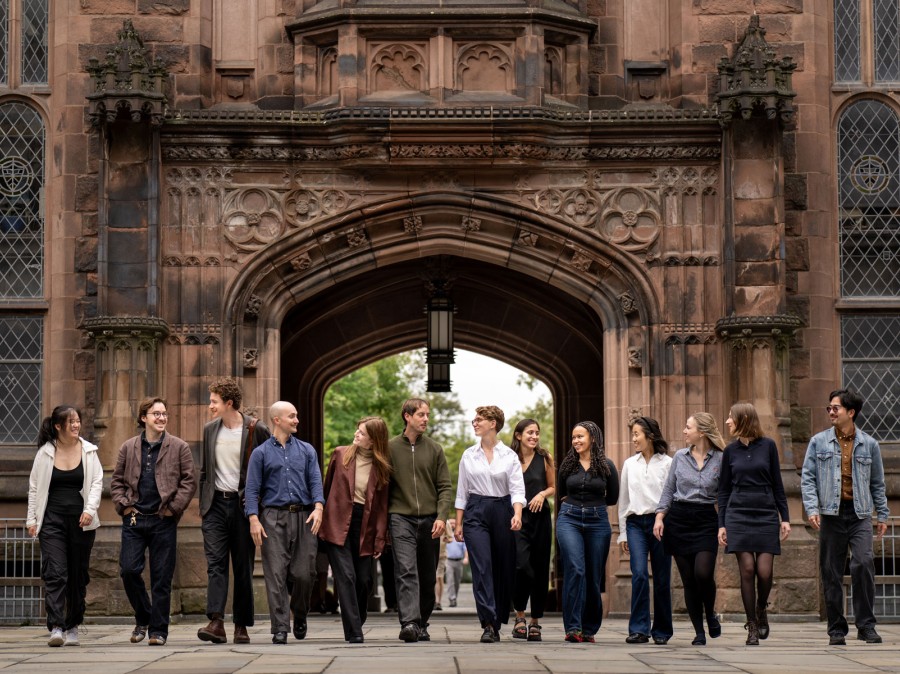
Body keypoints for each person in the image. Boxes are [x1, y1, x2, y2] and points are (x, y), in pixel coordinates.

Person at [801, 389, 890, 646]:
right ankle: (836, 629)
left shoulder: (869, 444)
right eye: (829, 408)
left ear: (850, 413)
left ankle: (866, 626)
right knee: (831, 572)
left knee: (863, 564)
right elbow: (807, 478)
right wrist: (812, 508)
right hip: (831, 514)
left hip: (860, 513)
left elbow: (877, 483)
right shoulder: (818, 442)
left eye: (836, 408)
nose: (831, 412)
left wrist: (882, 514)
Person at [111, 397, 196, 647]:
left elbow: (189, 481)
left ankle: (158, 630)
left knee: (161, 578)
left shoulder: (179, 447)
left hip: (163, 520)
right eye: (156, 414)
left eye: (164, 414)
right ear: (143, 418)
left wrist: (173, 509)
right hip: (134, 519)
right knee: (128, 570)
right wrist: (124, 506)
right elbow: (116, 482)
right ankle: (143, 616)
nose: (161, 418)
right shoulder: (128, 447)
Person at [197, 377, 270, 645]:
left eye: (214, 401)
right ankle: (216, 621)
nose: (210, 406)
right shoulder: (209, 429)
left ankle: (241, 625)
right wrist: (204, 503)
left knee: (243, 567)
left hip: (243, 507)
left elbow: (266, 470)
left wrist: (257, 510)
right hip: (215, 505)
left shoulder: (256, 429)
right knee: (215, 564)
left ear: (229, 403)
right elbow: (205, 470)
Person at [245, 400, 324, 645]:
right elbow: (251, 489)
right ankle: (280, 627)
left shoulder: (307, 450)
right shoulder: (260, 453)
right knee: (275, 574)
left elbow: (315, 482)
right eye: (292, 416)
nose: (297, 420)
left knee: (305, 574)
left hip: (305, 516)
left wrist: (319, 507)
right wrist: (253, 519)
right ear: (277, 420)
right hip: (272, 517)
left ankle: (299, 613)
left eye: (297, 415)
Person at [26, 406, 103, 647]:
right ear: (58, 426)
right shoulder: (45, 454)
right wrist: (31, 520)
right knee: (56, 573)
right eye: (71, 422)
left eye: (78, 421)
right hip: (52, 521)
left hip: (81, 522)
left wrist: (89, 510)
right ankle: (57, 626)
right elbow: (35, 488)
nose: (76, 425)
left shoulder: (89, 451)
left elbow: (97, 483)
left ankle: (73, 626)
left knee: (77, 576)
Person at [719, 403, 791, 645]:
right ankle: (751, 625)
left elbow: (778, 485)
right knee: (747, 569)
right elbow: (724, 490)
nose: (728, 421)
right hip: (738, 513)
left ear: (744, 419)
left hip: (765, 512)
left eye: (731, 417)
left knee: (764, 571)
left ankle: (761, 609)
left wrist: (786, 518)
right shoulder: (730, 451)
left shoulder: (768, 446)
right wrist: (722, 524)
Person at [454, 405, 525, 643]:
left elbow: (517, 489)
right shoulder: (468, 455)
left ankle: (497, 619)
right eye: (474, 420)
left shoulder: (510, 456)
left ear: (493, 423)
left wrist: (517, 514)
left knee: (503, 567)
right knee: (482, 567)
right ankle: (488, 623)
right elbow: (462, 492)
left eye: (479, 420)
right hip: (475, 511)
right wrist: (459, 524)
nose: (474, 423)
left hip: (503, 509)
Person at [653, 413, 724, 646]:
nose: (684, 431)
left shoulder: (721, 459)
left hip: (705, 519)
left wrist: (724, 523)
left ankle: (711, 614)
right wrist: (660, 517)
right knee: (689, 580)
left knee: (703, 573)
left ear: (701, 432)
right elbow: (668, 489)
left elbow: (725, 495)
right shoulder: (680, 458)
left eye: (688, 427)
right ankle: (699, 632)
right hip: (679, 520)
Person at [319, 416, 392, 644]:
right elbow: (327, 486)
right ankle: (354, 632)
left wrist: (380, 538)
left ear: (373, 440)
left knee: (363, 580)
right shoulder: (341, 454)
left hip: (365, 525)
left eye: (361, 432)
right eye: (357, 430)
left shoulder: (382, 467)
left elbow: (382, 506)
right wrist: (321, 516)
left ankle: (356, 619)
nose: (356, 434)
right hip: (337, 522)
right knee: (346, 577)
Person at [387, 398, 453, 643]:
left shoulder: (434, 449)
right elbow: (383, 487)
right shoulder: (390, 447)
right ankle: (409, 623)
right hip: (400, 517)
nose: (426, 419)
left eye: (427, 415)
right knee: (405, 570)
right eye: (421, 415)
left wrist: (441, 517)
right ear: (407, 416)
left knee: (427, 575)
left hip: (430, 521)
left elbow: (445, 487)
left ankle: (422, 621)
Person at [556, 420, 618, 643]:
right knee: (575, 568)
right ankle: (573, 627)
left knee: (593, 575)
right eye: (573, 437)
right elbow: (562, 493)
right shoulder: (567, 466)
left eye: (580, 436)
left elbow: (612, 497)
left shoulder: (607, 466)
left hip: (597, 521)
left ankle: (589, 627)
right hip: (569, 519)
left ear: (592, 438)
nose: (576, 441)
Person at [617, 416, 673, 645]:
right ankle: (639, 629)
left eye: (636, 434)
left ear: (650, 435)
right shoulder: (630, 464)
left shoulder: (668, 463)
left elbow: (671, 497)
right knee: (639, 574)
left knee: (661, 578)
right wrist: (622, 532)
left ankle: (661, 630)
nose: (633, 439)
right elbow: (623, 500)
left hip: (661, 524)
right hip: (635, 524)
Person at [510, 418, 555, 642]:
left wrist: (541, 494)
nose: (534, 437)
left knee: (539, 569)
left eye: (537, 432)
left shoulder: (545, 457)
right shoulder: (509, 459)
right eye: (529, 432)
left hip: (541, 519)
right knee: (522, 566)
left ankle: (535, 621)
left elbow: (553, 486)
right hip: (517, 519)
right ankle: (519, 615)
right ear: (518, 436)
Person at [444, 520, 467, 608]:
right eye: (451, 523)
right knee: (450, 581)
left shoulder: (460, 535)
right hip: (448, 561)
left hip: (459, 561)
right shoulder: (446, 535)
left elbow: (465, 548)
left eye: (454, 523)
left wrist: (466, 558)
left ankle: (454, 597)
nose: (453, 525)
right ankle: (452, 599)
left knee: (457, 581)